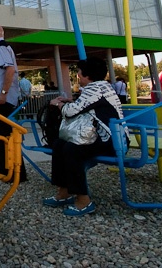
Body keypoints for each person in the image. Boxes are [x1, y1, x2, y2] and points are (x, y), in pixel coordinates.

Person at [45, 57, 125, 216]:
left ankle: (83, 200)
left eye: (79, 72)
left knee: (71, 149)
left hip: (111, 141)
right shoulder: (101, 87)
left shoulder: (95, 88)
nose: (78, 76)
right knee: (60, 145)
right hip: (103, 138)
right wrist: (70, 101)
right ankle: (64, 191)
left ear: (88, 75)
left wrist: (57, 104)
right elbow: (84, 106)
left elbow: (70, 112)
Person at [0, 24, 27, 182]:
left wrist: (3, 93)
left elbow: (10, 69)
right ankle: (4, 168)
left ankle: (12, 171)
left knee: (5, 135)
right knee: (0, 134)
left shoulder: (0, 47)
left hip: (2, 100)